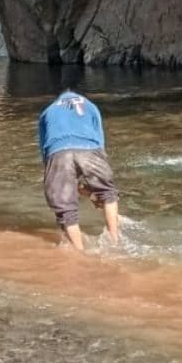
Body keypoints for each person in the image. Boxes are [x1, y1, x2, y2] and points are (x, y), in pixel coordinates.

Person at [38, 90, 121, 252]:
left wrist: (51, 172)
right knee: (108, 193)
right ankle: (115, 241)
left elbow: (44, 148)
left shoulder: (47, 111)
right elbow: (99, 137)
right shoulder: (90, 106)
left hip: (58, 151)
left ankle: (80, 253)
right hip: (90, 148)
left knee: (66, 210)